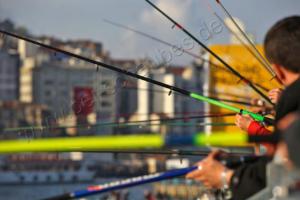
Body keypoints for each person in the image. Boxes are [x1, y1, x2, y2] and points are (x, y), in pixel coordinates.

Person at [186, 16, 300, 200]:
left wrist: (225, 177)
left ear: (278, 72)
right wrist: (236, 160)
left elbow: (280, 168)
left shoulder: (292, 110)